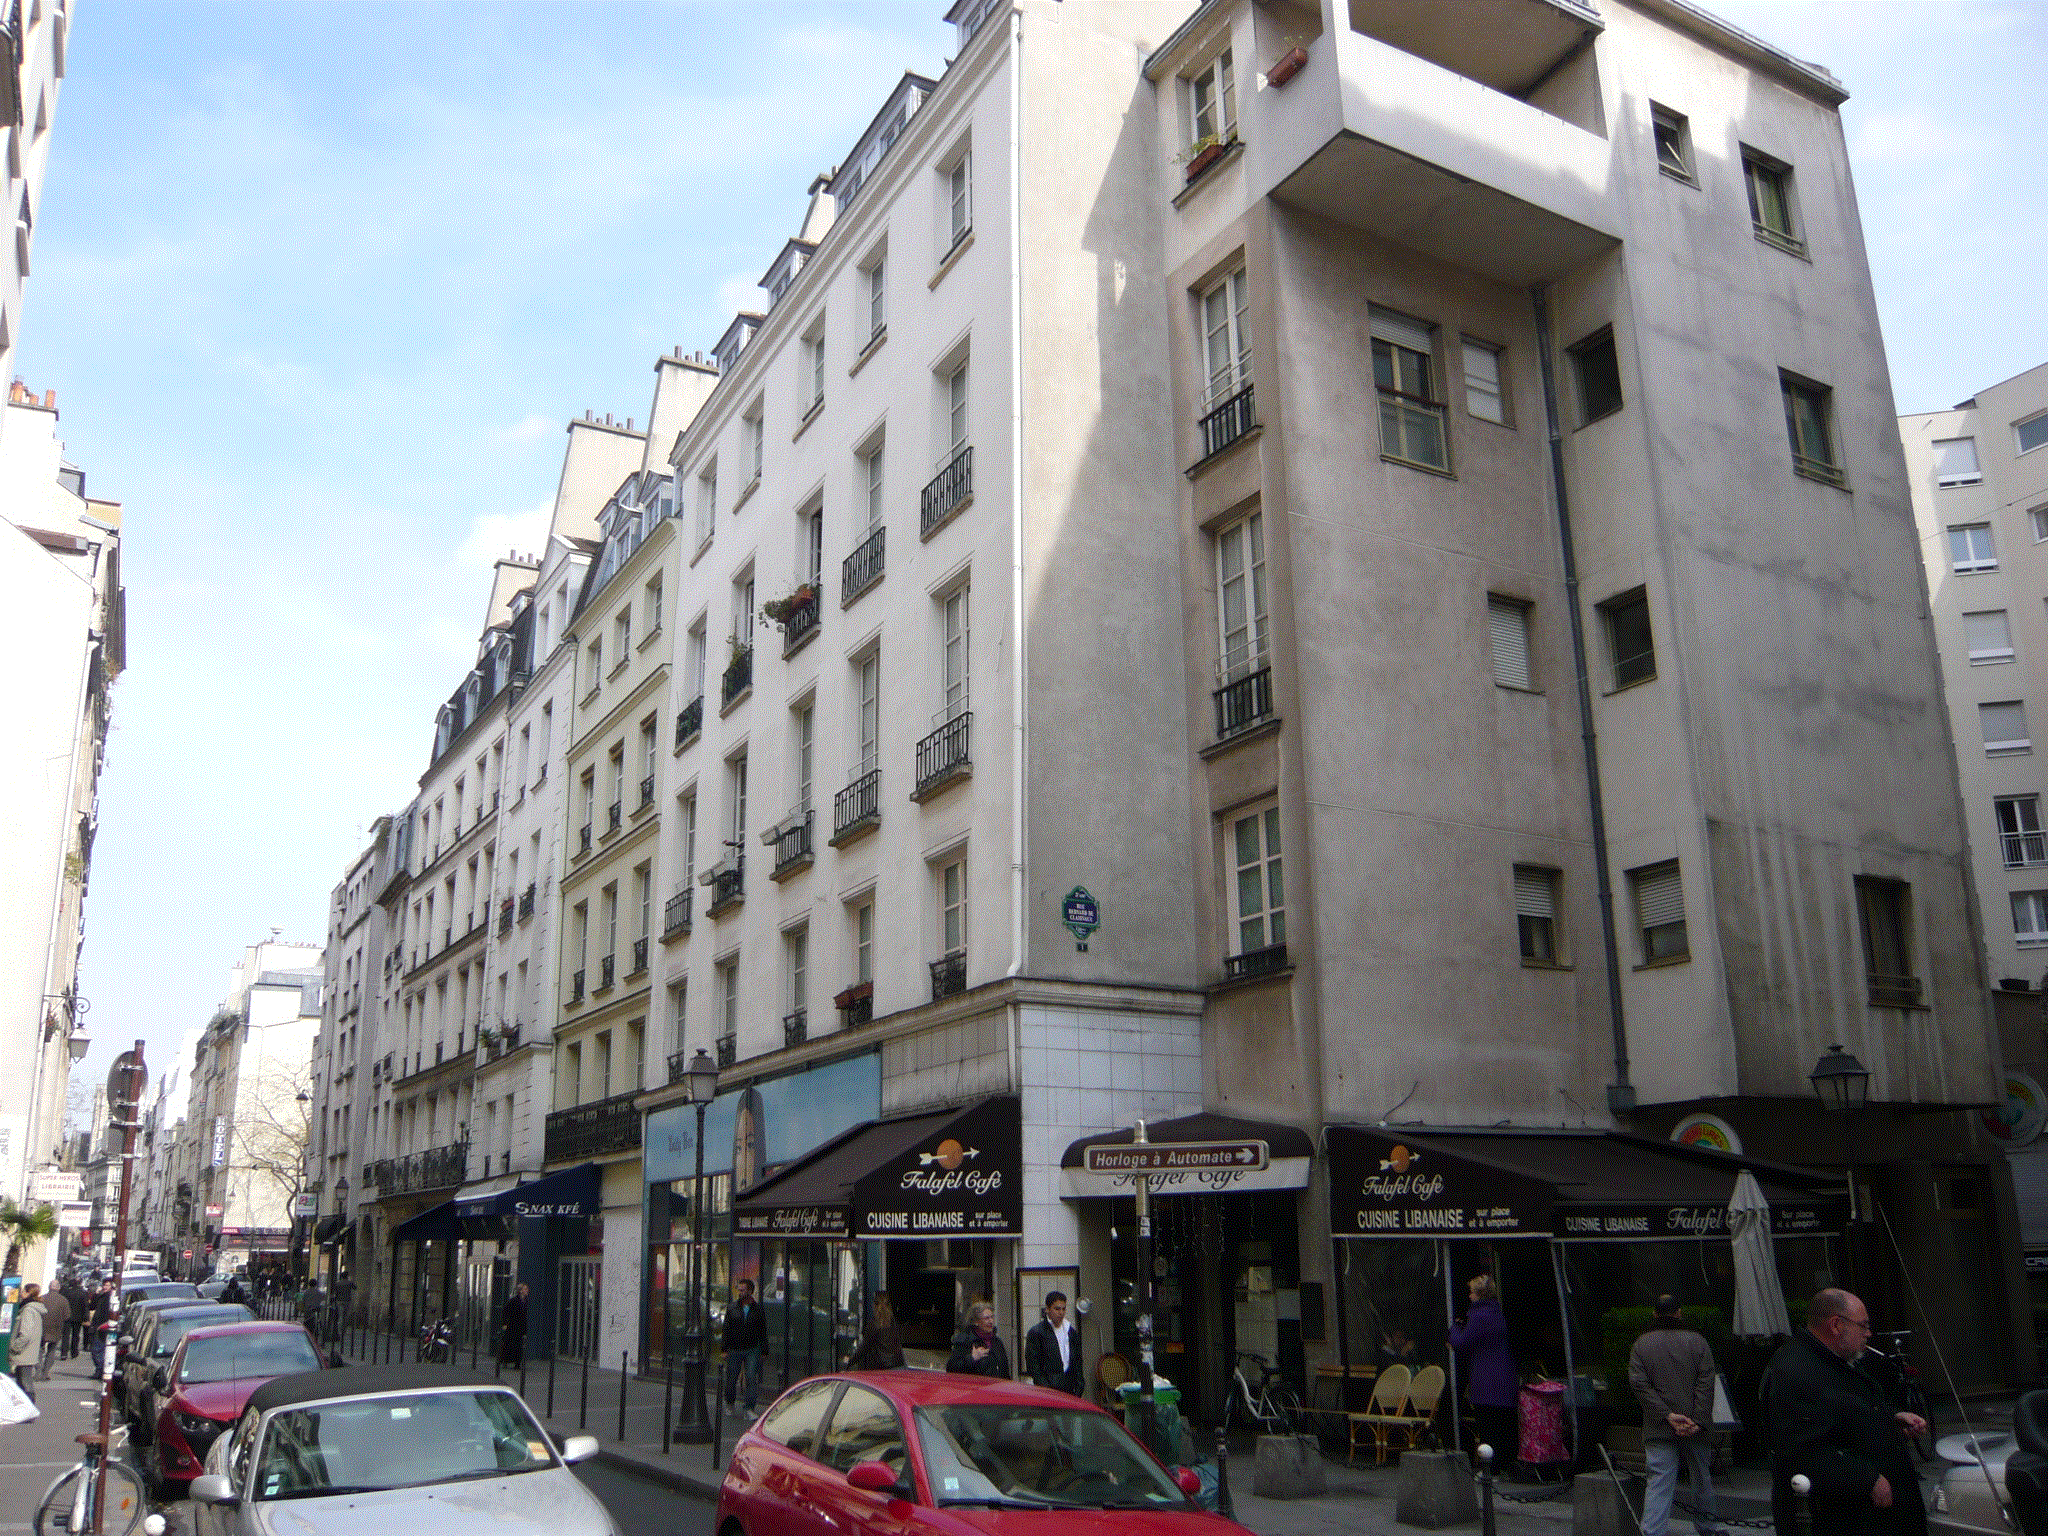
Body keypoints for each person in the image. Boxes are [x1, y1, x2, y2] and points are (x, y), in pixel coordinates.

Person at [1766, 1288, 1928, 1536]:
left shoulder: (1836, 1359)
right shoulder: (1795, 1370)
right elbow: (1801, 1446)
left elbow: (1848, 1411)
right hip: (1843, 1515)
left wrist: (1891, 1420)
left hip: (1876, 1511)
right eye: (1862, 1326)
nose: (1868, 1333)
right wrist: (1867, 1479)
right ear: (1836, 1325)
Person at [1630, 1294, 1726, 1536]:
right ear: (1679, 1313)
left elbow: (1639, 1384)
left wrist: (1666, 1415)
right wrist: (1696, 1420)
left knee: (1659, 1482)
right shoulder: (1698, 1342)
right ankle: (1707, 1529)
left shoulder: (1641, 1344)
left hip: (1659, 1426)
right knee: (1702, 1480)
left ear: (1654, 1315)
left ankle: (1652, 1532)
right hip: (1695, 1426)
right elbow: (1706, 1384)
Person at [1448, 1274, 1518, 1467]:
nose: (1469, 1296)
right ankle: (1505, 1464)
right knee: (1503, 1425)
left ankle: (1491, 1469)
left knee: (1488, 1425)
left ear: (1479, 1294)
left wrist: (1454, 1328)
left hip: (1485, 1378)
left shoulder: (1478, 1316)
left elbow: (1462, 1343)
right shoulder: (1497, 1313)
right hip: (1504, 1376)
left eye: (1471, 1292)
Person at [1023, 1291, 1084, 1395]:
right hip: (1048, 1389)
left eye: (1063, 1309)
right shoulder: (1037, 1332)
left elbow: (1078, 1361)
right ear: (1047, 1309)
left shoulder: (1070, 1332)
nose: (1061, 1313)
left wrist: (1079, 1387)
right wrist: (1045, 1387)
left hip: (1069, 1388)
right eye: (1057, 1309)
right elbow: (1033, 1365)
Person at [722, 1277, 766, 1415]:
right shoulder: (732, 1307)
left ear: (751, 1291)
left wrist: (764, 1351)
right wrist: (724, 1349)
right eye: (739, 1290)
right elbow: (726, 1329)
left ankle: (749, 1408)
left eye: (743, 1290)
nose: (740, 1292)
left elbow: (762, 1331)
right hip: (735, 1348)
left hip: (752, 1348)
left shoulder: (758, 1309)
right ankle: (730, 1403)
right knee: (732, 1377)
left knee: (751, 1377)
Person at [947, 1300, 1012, 1379]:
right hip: (976, 1388)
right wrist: (972, 1358)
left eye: (992, 1317)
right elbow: (951, 1369)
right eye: (986, 1318)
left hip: (996, 1388)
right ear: (976, 1321)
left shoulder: (997, 1342)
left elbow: (1005, 1370)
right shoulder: (965, 1340)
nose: (991, 1321)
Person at [848, 1292, 905, 1371]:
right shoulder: (896, 1323)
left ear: (876, 1305)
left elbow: (864, 1348)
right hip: (898, 1366)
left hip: (881, 1369)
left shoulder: (875, 1324)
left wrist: (849, 1363)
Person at [8, 1283, 46, 1402]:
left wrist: (15, 1347)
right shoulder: (33, 1308)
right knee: (23, 1380)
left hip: (24, 1351)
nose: (21, 1293)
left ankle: (29, 1407)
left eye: (24, 1291)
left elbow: (26, 1334)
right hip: (29, 1350)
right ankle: (26, 1407)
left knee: (24, 1381)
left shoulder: (28, 1310)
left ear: (29, 1293)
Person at [36, 1281, 69, 1380]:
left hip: (41, 1327)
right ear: (58, 1288)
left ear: (49, 1287)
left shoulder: (41, 1298)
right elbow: (67, 1315)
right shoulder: (63, 1300)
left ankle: (38, 1372)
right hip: (56, 1328)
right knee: (51, 1350)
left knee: (39, 1350)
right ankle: (45, 1372)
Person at [87, 1279, 115, 1376]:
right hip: (99, 1326)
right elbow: (92, 1306)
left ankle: (100, 1370)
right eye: (104, 1285)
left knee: (97, 1350)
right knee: (97, 1350)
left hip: (103, 1327)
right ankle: (100, 1370)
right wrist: (96, 1294)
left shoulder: (110, 1297)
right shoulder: (101, 1296)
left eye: (107, 1285)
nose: (105, 1287)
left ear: (111, 1286)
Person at [500, 1283, 530, 1369]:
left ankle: (517, 1363)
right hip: (512, 1326)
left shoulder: (525, 1301)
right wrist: (504, 1323)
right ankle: (506, 1361)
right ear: (520, 1291)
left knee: (519, 1346)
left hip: (521, 1327)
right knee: (510, 1344)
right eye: (525, 1289)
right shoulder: (514, 1300)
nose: (527, 1291)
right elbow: (506, 1311)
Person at [60, 1275, 88, 1359]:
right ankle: (74, 1352)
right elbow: (85, 1306)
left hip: (67, 1316)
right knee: (76, 1335)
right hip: (78, 1317)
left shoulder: (66, 1293)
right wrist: (86, 1318)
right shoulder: (82, 1293)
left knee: (65, 1335)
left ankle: (64, 1353)